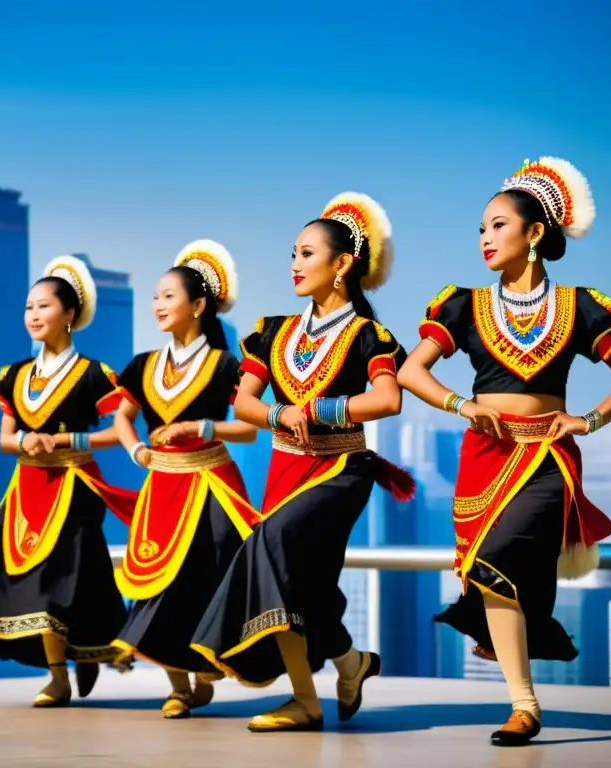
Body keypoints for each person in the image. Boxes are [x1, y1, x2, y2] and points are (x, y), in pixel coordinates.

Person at [398, 157, 611, 746]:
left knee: (507, 555)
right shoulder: (461, 306)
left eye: (497, 226)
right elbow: (412, 372)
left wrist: (586, 420)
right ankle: (524, 704)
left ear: (535, 232)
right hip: (483, 456)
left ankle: (524, 701)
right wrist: (462, 404)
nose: (485, 239)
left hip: (546, 459)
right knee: (491, 573)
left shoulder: (582, 307)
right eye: (481, 230)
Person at [190, 193, 415, 733]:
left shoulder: (368, 335)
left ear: (342, 265)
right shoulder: (271, 332)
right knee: (299, 584)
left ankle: (317, 690)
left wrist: (316, 409)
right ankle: (333, 678)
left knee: (271, 546)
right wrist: (278, 413)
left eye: (307, 253)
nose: (294, 263)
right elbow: (243, 404)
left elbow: (388, 399)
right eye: (293, 252)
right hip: (285, 468)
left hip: (341, 471)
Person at [0, 256, 138, 708]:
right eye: (28, 307)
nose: (34, 316)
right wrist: (27, 441)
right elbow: (4, 440)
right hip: (26, 489)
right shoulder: (15, 375)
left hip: (75, 487)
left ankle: (62, 675)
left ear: (70, 315)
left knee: (56, 584)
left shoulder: (94, 374)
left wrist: (63, 439)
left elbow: (116, 430)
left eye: (43, 306)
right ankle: (67, 665)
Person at [110, 240, 261, 720]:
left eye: (168, 296)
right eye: (155, 296)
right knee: (161, 585)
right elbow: (122, 417)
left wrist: (200, 427)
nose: (158, 305)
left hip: (213, 482)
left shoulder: (225, 364)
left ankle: (208, 665)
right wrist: (137, 449)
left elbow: (250, 429)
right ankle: (178, 686)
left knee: (213, 575)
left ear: (197, 306)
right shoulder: (143, 365)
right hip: (163, 488)